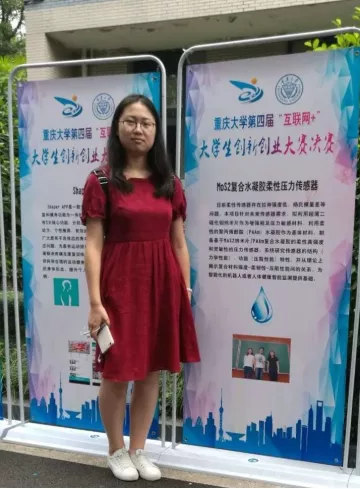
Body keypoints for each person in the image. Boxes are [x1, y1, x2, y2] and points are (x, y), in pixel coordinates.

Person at [82, 94, 199, 482]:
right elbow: (93, 245)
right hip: (119, 286)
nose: (138, 129)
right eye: (130, 121)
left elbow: (179, 243)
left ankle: (139, 449)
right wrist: (95, 302)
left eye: (146, 123)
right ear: (117, 127)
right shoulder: (101, 181)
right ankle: (116, 450)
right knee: (117, 372)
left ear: (156, 131)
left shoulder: (170, 183)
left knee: (150, 372)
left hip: (162, 286)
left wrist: (184, 291)